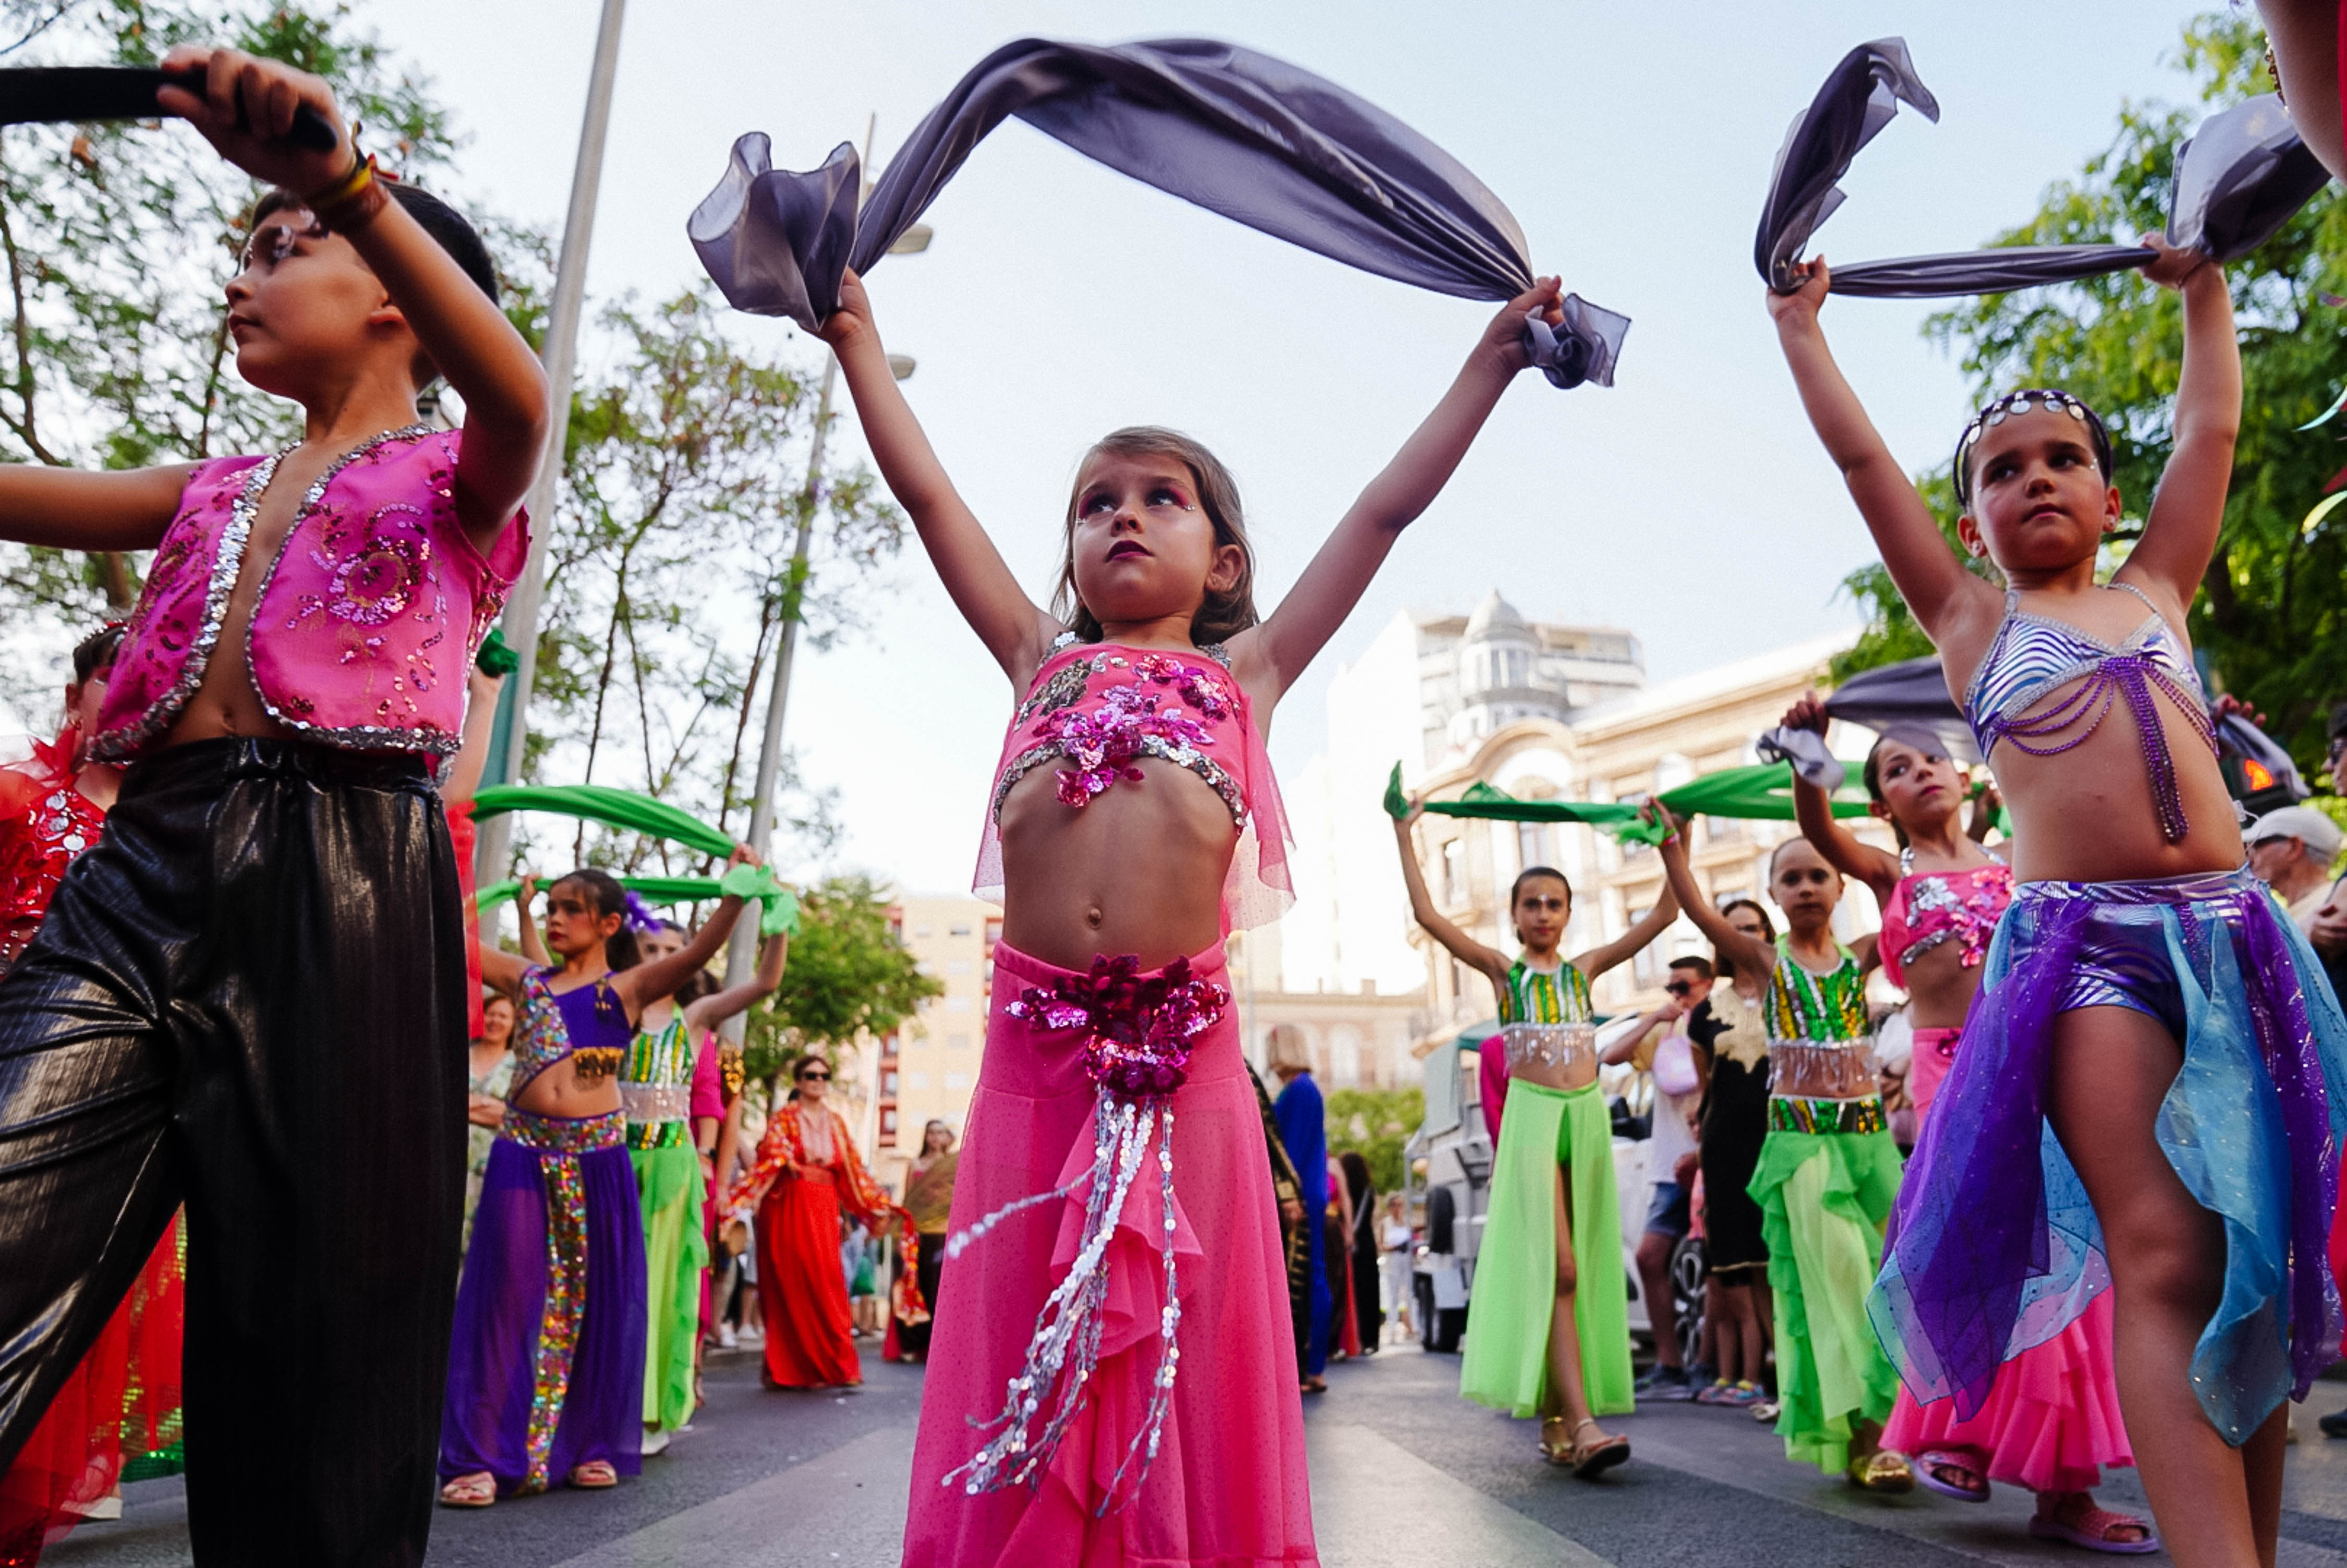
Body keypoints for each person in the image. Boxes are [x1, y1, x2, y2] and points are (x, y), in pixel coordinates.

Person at [837, 248, 1571, 1563]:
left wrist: (1490, 363)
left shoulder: (1250, 674)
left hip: (1185, 1071)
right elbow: (926, 494)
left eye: (1158, 497)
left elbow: (1382, 513)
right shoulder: (1033, 663)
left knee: (1175, 1339)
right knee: (1019, 1346)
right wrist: (853, 343)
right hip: (1031, 1061)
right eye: (1092, 503)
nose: (1121, 516)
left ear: (1221, 553)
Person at [0, 48, 548, 1566]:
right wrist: (319, 203)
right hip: (141, 873)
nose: (243, 280)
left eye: (278, 249)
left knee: (318, 1352)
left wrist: (339, 179)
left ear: (387, 286)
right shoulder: (206, 485)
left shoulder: (459, 477)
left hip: (348, 886)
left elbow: (518, 390)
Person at [1773, 240, 2347, 1568]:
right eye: (1997, 470)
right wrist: (1802, 331)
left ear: (2104, 492)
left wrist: (2199, 287)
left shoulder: (2156, 591)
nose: (2032, 478)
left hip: (2232, 940)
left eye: (2059, 459)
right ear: (1967, 518)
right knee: (2162, 1254)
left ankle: (2244, 1547)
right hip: (2084, 952)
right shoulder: (1971, 622)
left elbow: (2209, 420)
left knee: (2250, 1259)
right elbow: (1865, 470)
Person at [1785, 707, 2148, 1550]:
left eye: (1929, 760)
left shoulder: (2022, 857)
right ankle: (1963, 1428)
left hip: (2032, 1064)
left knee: (2058, 1256)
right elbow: (1818, 828)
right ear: (1881, 804)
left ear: (1963, 774)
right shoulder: (1887, 874)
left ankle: (2065, 1490)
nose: (1920, 774)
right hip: (1948, 1071)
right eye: (1897, 770)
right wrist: (1811, 760)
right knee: (1965, 1250)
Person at [438, 863, 752, 1506]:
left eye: (570, 909)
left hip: (598, 1157)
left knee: (600, 1300)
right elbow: (457, 940)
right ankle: (480, 1457)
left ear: (609, 924)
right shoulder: (527, 981)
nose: (556, 919)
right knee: (507, 1295)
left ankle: (590, 1446)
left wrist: (736, 891)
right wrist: (461, 874)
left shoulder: (627, 989)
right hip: (524, 1152)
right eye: (551, 908)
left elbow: (702, 950)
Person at [1395, 804, 1678, 1474]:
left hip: (1584, 1114)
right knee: (1563, 1268)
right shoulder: (1507, 974)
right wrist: (1404, 835)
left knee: (1580, 1269)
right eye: (1532, 904)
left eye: (1555, 903)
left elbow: (1666, 916)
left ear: (1568, 912)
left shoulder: (1583, 973)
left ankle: (1558, 1414)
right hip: (1530, 1117)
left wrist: (1674, 843)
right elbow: (1432, 919)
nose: (1544, 913)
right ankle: (1580, 1423)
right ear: (1516, 914)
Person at [0, 627, 187, 1561]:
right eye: (114, 677)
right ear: (75, 695)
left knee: (61, 1308)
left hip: (102, 1112)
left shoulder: (163, 840)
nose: (128, 698)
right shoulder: (17, 797)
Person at [1659, 824, 1910, 1492]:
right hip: (1801, 1142)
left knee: (1893, 1278)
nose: (1805, 888)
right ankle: (1866, 1438)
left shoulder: (1860, 958)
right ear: (1774, 894)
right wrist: (1672, 851)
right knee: (1844, 1278)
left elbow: (1908, 891)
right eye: (1791, 879)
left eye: (1817, 875)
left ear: (1840, 885)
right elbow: (1699, 911)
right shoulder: (1772, 964)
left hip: (1869, 1140)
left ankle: (1897, 1427)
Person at [623, 920, 788, 1453]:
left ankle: (651, 1407)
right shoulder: (612, 1010)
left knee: (662, 1286)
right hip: (611, 1160)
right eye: (651, 948)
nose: (663, 957)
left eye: (674, 949)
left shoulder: (693, 1019)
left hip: (671, 1167)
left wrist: (775, 922)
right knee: (608, 1284)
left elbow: (765, 982)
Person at [731, 1053, 916, 1390]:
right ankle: (790, 1369)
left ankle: (835, 1366)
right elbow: (771, 1155)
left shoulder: (837, 1123)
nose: (819, 1081)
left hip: (823, 1206)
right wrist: (787, 1162)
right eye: (811, 1075)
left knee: (827, 1283)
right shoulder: (783, 1118)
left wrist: (877, 1205)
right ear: (798, 1082)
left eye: (824, 1076)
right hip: (789, 1205)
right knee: (791, 1282)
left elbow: (853, 1171)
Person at [1603, 956, 1713, 1401]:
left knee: (1720, 1266)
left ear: (1708, 985)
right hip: (1669, 1162)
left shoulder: (1722, 1026)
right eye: (1671, 988)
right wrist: (1654, 1016)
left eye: (1684, 987)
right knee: (1651, 1258)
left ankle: (1706, 1365)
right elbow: (1611, 1057)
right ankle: (1670, 1363)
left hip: (1710, 1159)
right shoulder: (1666, 1031)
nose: (1677, 996)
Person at [1685, 900, 1776, 1415]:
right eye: (1733, 930)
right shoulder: (1703, 1012)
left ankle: (1785, 1369)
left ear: (1767, 932)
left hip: (1783, 1138)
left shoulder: (1788, 991)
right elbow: (1704, 1093)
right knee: (1737, 1259)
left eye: (1752, 928)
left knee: (1778, 1251)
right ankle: (1756, 1375)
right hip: (1725, 1145)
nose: (1743, 936)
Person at [1268, 1025, 1334, 1394]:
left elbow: (1290, 1151)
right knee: (1312, 1274)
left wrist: (1286, 1196)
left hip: (1300, 1191)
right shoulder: (1303, 1089)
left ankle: (1311, 1366)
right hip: (1310, 1188)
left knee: (1308, 1274)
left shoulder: (1300, 1090)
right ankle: (1311, 1366)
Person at [892, 1121, 959, 1361]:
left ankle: (936, 1345)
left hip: (944, 1233)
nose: (935, 1137)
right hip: (918, 1232)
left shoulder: (953, 1165)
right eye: (931, 1132)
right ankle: (912, 1344)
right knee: (915, 1285)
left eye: (940, 1132)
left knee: (938, 1287)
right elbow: (908, 1198)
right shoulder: (915, 1164)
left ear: (947, 1137)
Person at [463, 993, 518, 1251]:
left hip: (492, 1164)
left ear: (514, 1024)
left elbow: (511, 1116)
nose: (495, 1020)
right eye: (490, 1013)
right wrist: (488, 1104)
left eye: (503, 1016)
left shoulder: (517, 1066)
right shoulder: (460, 1056)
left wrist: (471, 1103)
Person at [2245, 806, 2343, 933]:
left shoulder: (2333, 906)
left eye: (2256, 846)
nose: (2249, 859)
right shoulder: (2293, 914)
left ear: (2294, 847)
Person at [1340, 1151, 1382, 1356]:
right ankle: (1371, 1338)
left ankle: (1353, 1337)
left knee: (1352, 1291)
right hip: (1367, 1242)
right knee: (1370, 1291)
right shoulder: (1368, 1191)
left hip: (1349, 1242)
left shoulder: (1344, 1191)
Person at [1379, 1194, 1415, 1346]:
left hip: (1406, 1261)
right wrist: (1393, 1247)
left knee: (1409, 1294)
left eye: (1400, 1205)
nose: (1397, 1209)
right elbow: (1381, 1244)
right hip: (1392, 1261)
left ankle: (1411, 1327)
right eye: (1395, 1205)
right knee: (1393, 1296)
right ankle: (1392, 1329)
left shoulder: (1407, 1223)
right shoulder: (1385, 1224)